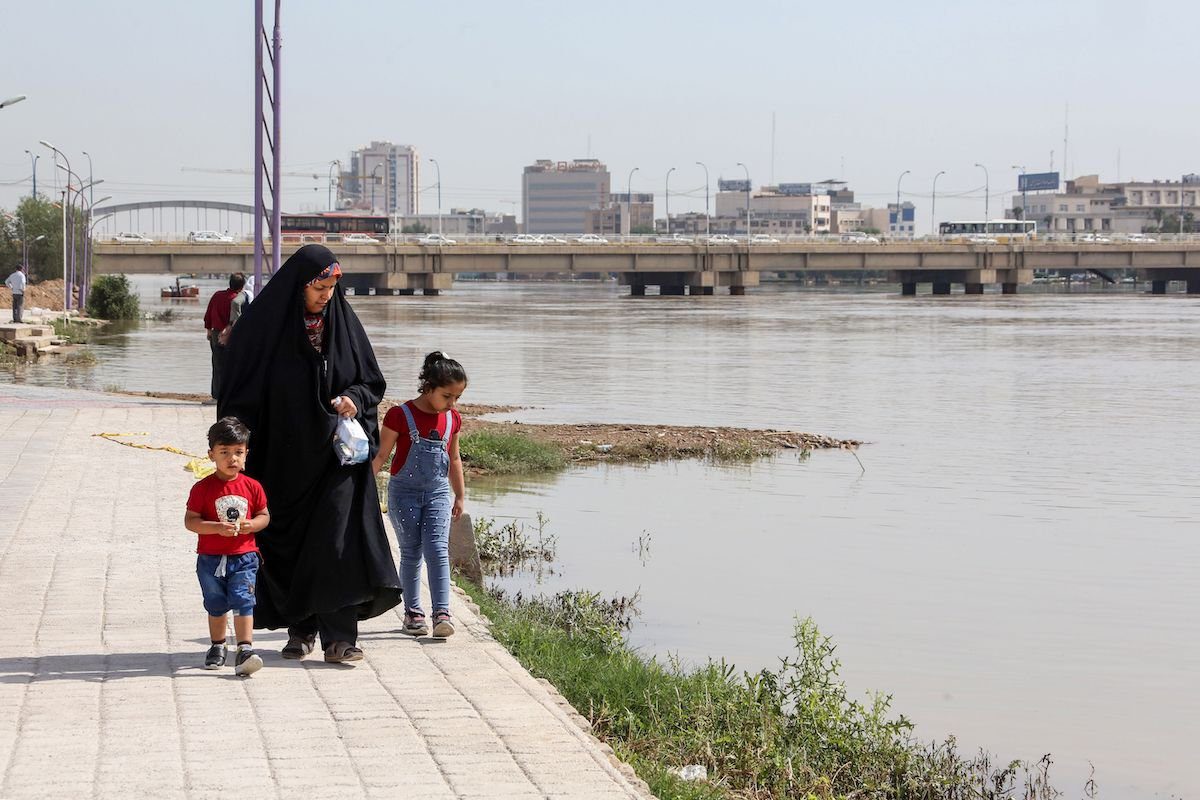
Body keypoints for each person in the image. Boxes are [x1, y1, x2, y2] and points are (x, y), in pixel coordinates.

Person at [219, 244, 402, 664]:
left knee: (337, 541)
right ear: (299, 285)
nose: (326, 296)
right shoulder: (263, 329)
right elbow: (237, 391)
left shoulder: (343, 324)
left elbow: (371, 380)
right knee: (293, 543)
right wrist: (237, 445)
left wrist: (354, 397)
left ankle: (340, 638)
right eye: (319, 287)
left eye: (333, 287)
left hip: (335, 461)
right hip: (282, 460)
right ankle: (300, 629)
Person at [372, 352, 468, 639]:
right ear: (427, 387)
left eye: (457, 398)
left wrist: (460, 496)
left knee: (438, 550)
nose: (451, 404)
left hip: (438, 493)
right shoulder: (399, 415)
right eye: (447, 396)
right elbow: (381, 456)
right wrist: (362, 492)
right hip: (404, 495)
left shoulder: (453, 420)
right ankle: (413, 613)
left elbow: (454, 459)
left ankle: (442, 613)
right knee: (412, 553)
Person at [184, 417, 270, 676]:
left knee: (245, 600)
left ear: (246, 454)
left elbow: (264, 516)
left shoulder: (253, 487)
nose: (232, 458)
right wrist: (216, 528)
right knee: (216, 603)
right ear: (211, 455)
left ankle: (245, 648)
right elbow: (191, 521)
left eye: (238, 452)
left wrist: (251, 525)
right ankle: (217, 645)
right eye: (224, 452)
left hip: (244, 556)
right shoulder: (202, 488)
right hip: (210, 558)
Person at [203, 273, 246, 401]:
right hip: (232, 336)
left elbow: (208, 314)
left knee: (217, 366)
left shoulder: (217, 295)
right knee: (233, 366)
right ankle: (231, 395)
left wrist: (209, 331)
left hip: (216, 334)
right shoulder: (239, 299)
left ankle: (216, 396)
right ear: (242, 286)